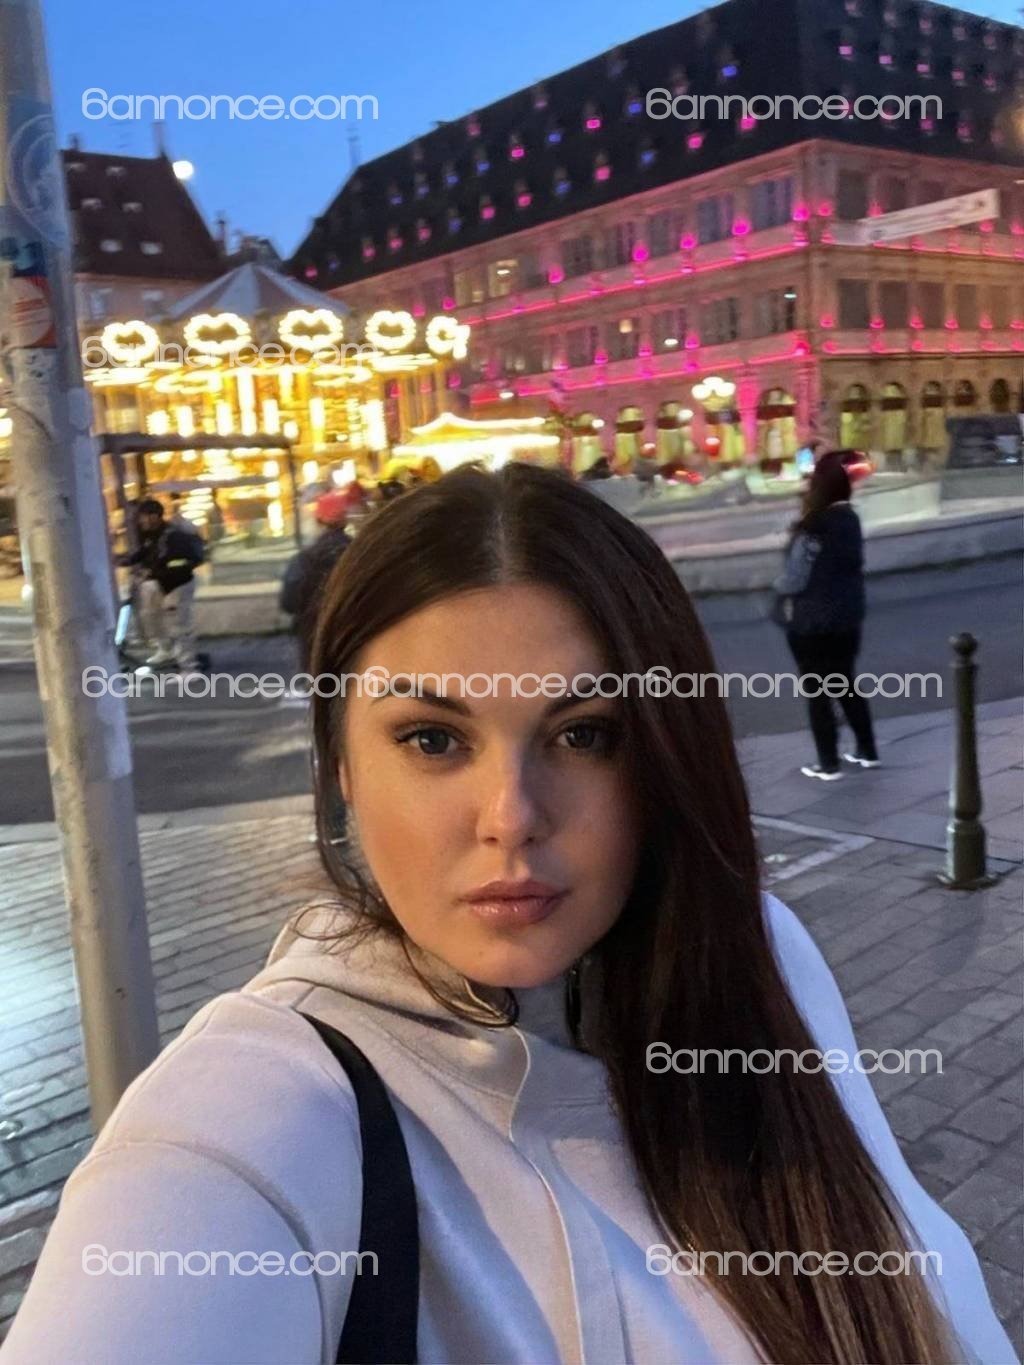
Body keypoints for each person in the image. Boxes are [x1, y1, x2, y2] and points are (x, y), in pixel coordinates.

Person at [3, 464, 1011, 1365]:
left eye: (584, 734)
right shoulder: (256, 1119)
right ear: (342, 763)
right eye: (433, 739)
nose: (511, 818)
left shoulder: (760, 954)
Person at [772, 449, 879, 780]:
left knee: (817, 693)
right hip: (847, 618)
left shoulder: (814, 526)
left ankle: (828, 763)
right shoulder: (850, 520)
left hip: (812, 622)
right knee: (845, 683)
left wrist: (777, 593)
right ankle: (867, 751)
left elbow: (796, 577)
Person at [121, 497, 204, 670]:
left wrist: (151, 572)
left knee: (179, 626)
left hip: (179, 585)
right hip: (163, 584)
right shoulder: (153, 535)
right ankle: (166, 650)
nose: (140, 521)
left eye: (142, 517)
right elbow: (145, 552)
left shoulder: (172, 537)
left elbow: (175, 564)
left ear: (154, 517)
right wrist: (126, 561)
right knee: (152, 616)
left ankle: (189, 667)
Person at [279, 494, 352, 673]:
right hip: (352, 632)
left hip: (314, 634)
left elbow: (289, 602)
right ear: (345, 520)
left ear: (319, 520)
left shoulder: (305, 558)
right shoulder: (360, 553)